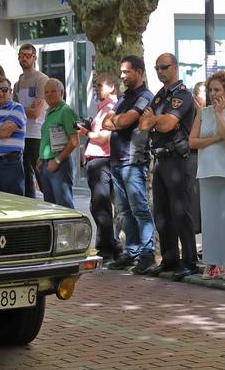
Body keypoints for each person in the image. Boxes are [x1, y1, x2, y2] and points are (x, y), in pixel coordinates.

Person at [143, 53, 197, 278]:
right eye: (156, 68)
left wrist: (156, 119)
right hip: (160, 158)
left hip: (177, 160)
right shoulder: (158, 97)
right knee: (161, 212)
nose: (160, 72)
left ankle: (190, 261)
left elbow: (166, 125)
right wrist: (157, 119)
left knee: (179, 211)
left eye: (164, 67)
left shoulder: (182, 96)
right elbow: (143, 123)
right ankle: (169, 258)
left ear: (174, 67)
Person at [190, 70, 225, 280]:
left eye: (217, 90)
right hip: (207, 171)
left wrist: (220, 114)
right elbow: (192, 141)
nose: (213, 94)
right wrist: (213, 139)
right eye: (211, 90)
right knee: (210, 220)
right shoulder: (203, 113)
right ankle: (211, 262)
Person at [105, 56, 157, 275]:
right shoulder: (124, 97)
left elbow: (122, 121)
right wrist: (118, 120)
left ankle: (147, 254)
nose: (123, 76)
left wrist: (118, 120)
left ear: (139, 72)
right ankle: (132, 251)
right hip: (117, 160)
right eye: (121, 72)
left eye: (127, 72)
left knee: (139, 209)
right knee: (125, 211)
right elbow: (106, 122)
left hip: (133, 160)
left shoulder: (145, 96)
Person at [80, 72, 122, 261]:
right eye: (95, 86)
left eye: (99, 85)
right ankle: (109, 244)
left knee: (101, 204)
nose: (96, 89)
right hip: (97, 159)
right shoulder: (103, 108)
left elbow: (106, 137)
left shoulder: (111, 108)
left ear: (112, 87)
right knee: (99, 205)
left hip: (102, 160)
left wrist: (86, 133)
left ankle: (107, 247)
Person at [38, 79, 79, 208]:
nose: (49, 94)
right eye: (46, 92)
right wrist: (41, 158)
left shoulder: (65, 111)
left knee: (64, 206)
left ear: (61, 92)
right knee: (51, 207)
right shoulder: (49, 112)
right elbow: (47, 138)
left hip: (60, 165)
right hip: (47, 164)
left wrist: (57, 160)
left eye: (53, 91)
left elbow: (74, 142)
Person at [15, 44, 48, 198]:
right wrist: (25, 108)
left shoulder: (41, 79)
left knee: (41, 176)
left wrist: (19, 107)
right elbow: (15, 110)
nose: (24, 59)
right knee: (25, 178)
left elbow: (36, 113)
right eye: (21, 55)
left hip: (37, 134)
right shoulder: (18, 82)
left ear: (34, 58)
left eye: (28, 55)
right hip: (21, 134)